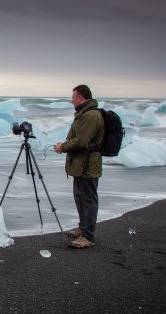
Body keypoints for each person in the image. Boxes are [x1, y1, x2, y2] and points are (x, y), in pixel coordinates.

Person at [55, 85, 104, 248]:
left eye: (73, 97)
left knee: (88, 199)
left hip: (88, 164)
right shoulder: (84, 114)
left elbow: (81, 141)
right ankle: (83, 227)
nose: (71, 100)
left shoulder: (90, 115)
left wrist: (64, 147)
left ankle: (88, 236)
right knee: (80, 197)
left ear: (81, 98)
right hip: (81, 164)